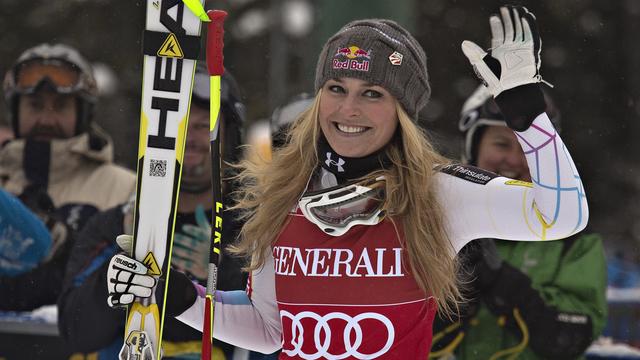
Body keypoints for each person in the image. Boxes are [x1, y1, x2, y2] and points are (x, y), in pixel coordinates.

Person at [105, 7, 590, 358]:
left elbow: (563, 215)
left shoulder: (439, 192)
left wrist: (527, 113)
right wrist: (179, 296)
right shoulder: (281, 192)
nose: (348, 109)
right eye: (336, 89)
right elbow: (273, 330)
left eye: (372, 94)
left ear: (402, 112)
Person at [58, 64, 248, 359]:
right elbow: (75, 332)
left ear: (230, 137)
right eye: (181, 125)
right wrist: (117, 278)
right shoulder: (115, 225)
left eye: (204, 125)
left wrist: (218, 274)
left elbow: (276, 332)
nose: (191, 139)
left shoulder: (253, 226)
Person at [430, 85, 608, 359]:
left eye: (527, 148)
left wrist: (504, 284)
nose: (514, 159)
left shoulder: (574, 237)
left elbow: (572, 338)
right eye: (501, 143)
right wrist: (456, 296)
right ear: (473, 146)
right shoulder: (431, 224)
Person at [0, 43, 136, 311]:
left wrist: (68, 250)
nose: (46, 119)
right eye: (34, 105)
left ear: (83, 114)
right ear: (15, 112)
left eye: (60, 106)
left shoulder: (126, 188)